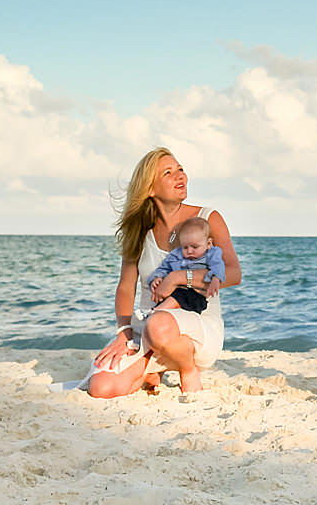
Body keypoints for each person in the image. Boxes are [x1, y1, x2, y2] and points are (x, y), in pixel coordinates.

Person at [84, 148, 240, 401]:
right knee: (102, 388)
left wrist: (179, 278)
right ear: (150, 189)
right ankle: (153, 367)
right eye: (169, 173)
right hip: (147, 328)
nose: (181, 176)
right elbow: (126, 286)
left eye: (181, 169)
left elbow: (233, 274)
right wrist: (124, 331)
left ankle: (187, 369)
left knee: (159, 325)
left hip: (197, 327)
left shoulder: (207, 218)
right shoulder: (139, 230)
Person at [145, 215, 226, 315]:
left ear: (208, 243)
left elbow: (218, 265)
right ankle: (156, 311)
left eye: (195, 247)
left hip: (196, 295)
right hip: (176, 291)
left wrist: (216, 278)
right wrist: (157, 278)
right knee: (170, 297)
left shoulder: (212, 253)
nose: (189, 251)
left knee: (179, 297)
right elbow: (164, 268)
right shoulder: (176, 255)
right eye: (185, 247)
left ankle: (154, 312)